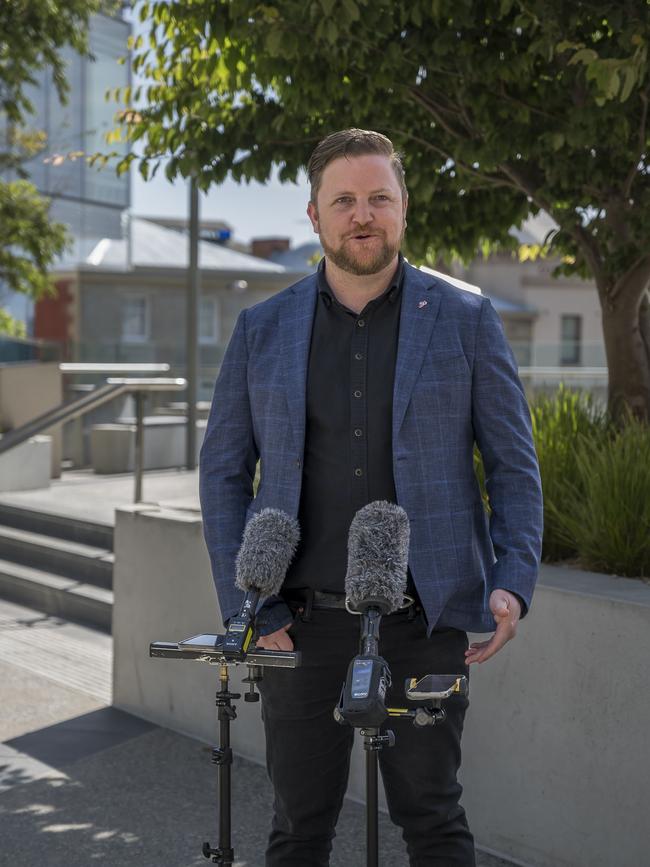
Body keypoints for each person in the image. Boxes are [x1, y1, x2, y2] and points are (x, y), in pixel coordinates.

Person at [199, 128, 543, 866]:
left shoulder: (467, 319)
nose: (364, 214)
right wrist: (251, 609)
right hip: (298, 623)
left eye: (379, 197)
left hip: (428, 620)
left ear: (403, 208)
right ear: (315, 215)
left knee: (434, 820)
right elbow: (223, 473)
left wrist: (514, 579)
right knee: (298, 827)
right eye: (345, 199)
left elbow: (513, 464)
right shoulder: (262, 329)